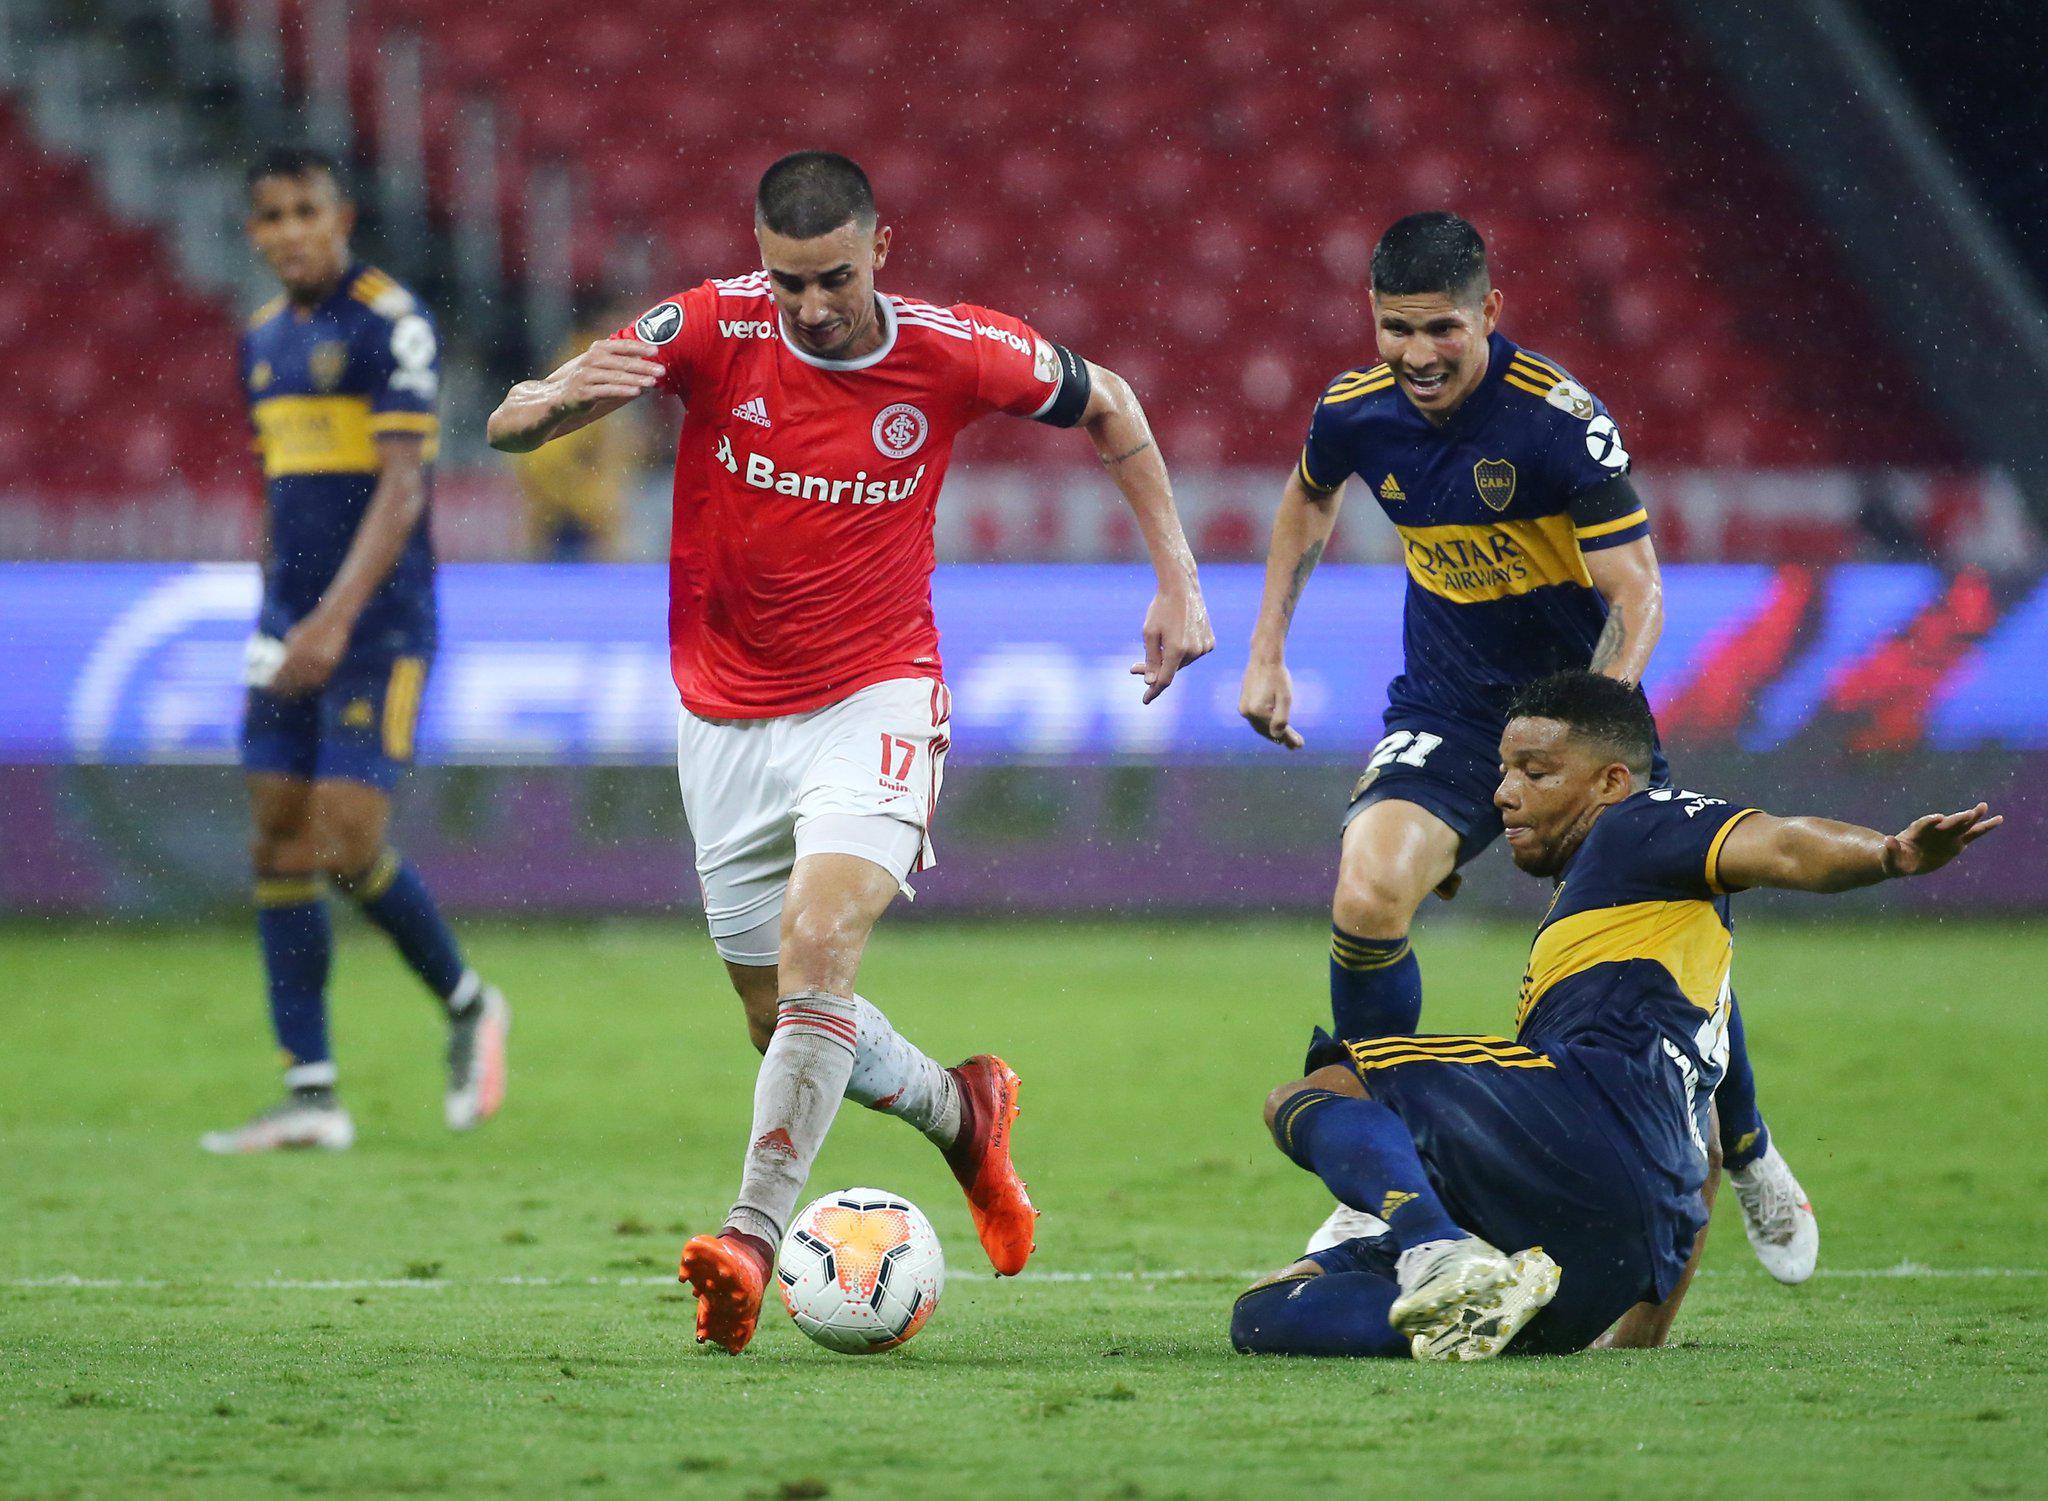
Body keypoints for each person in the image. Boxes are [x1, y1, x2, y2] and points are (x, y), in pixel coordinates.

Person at [487, 151, 1213, 1353]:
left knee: (818, 945)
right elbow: (514, 421)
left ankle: (748, 1239)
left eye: (833, 278)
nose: (812, 305)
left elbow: (1113, 405)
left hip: (875, 694)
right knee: (778, 1017)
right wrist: (551, 406)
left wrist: (1176, 581)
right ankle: (959, 1111)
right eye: (789, 282)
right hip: (723, 712)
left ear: (880, 248)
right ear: (757, 261)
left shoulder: (953, 350)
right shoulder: (710, 324)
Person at [1237, 211, 1815, 1279]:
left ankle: (1744, 1147)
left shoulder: (1558, 422)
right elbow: (1307, 496)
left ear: (1489, 313)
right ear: (1371, 317)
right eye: (1396, 328)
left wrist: (1589, 739)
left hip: (1573, 718)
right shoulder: (1355, 410)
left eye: (1441, 329)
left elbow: (1637, 594)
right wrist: (1266, 647)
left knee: (1666, 947)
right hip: (1451, 712)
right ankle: (1381, 1178)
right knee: (1366, 894)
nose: (1416, 354)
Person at [1231, 671, 1998, 1361]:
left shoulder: (1642, 822)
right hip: (1601, 1255)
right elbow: (1694, 1153)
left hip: (1582, 1121)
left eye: (1535, 772)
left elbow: (1784, 845)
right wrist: (1642, 1335)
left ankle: (1434, 1246)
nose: (1504, 794)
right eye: (1503, 770)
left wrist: (1889, 855)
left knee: (1323, 1087)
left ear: (1611, 781)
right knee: (1266, 1313)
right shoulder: (1654, 932)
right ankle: (1477, 1297)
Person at [204, 147, 507, 1154]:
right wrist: (277, 611)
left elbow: (402, 487)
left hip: (378, 627)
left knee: (343, 838)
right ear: (254, 231)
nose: (291, 230)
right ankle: (311, 1092)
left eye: (307, 210)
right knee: (276, 837)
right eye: (272, 214)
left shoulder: (390, 321)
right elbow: (282, 495)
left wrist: (333, 620)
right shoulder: (261, 340)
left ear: (341, 218)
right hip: (286, 625)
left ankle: (468, 1002)